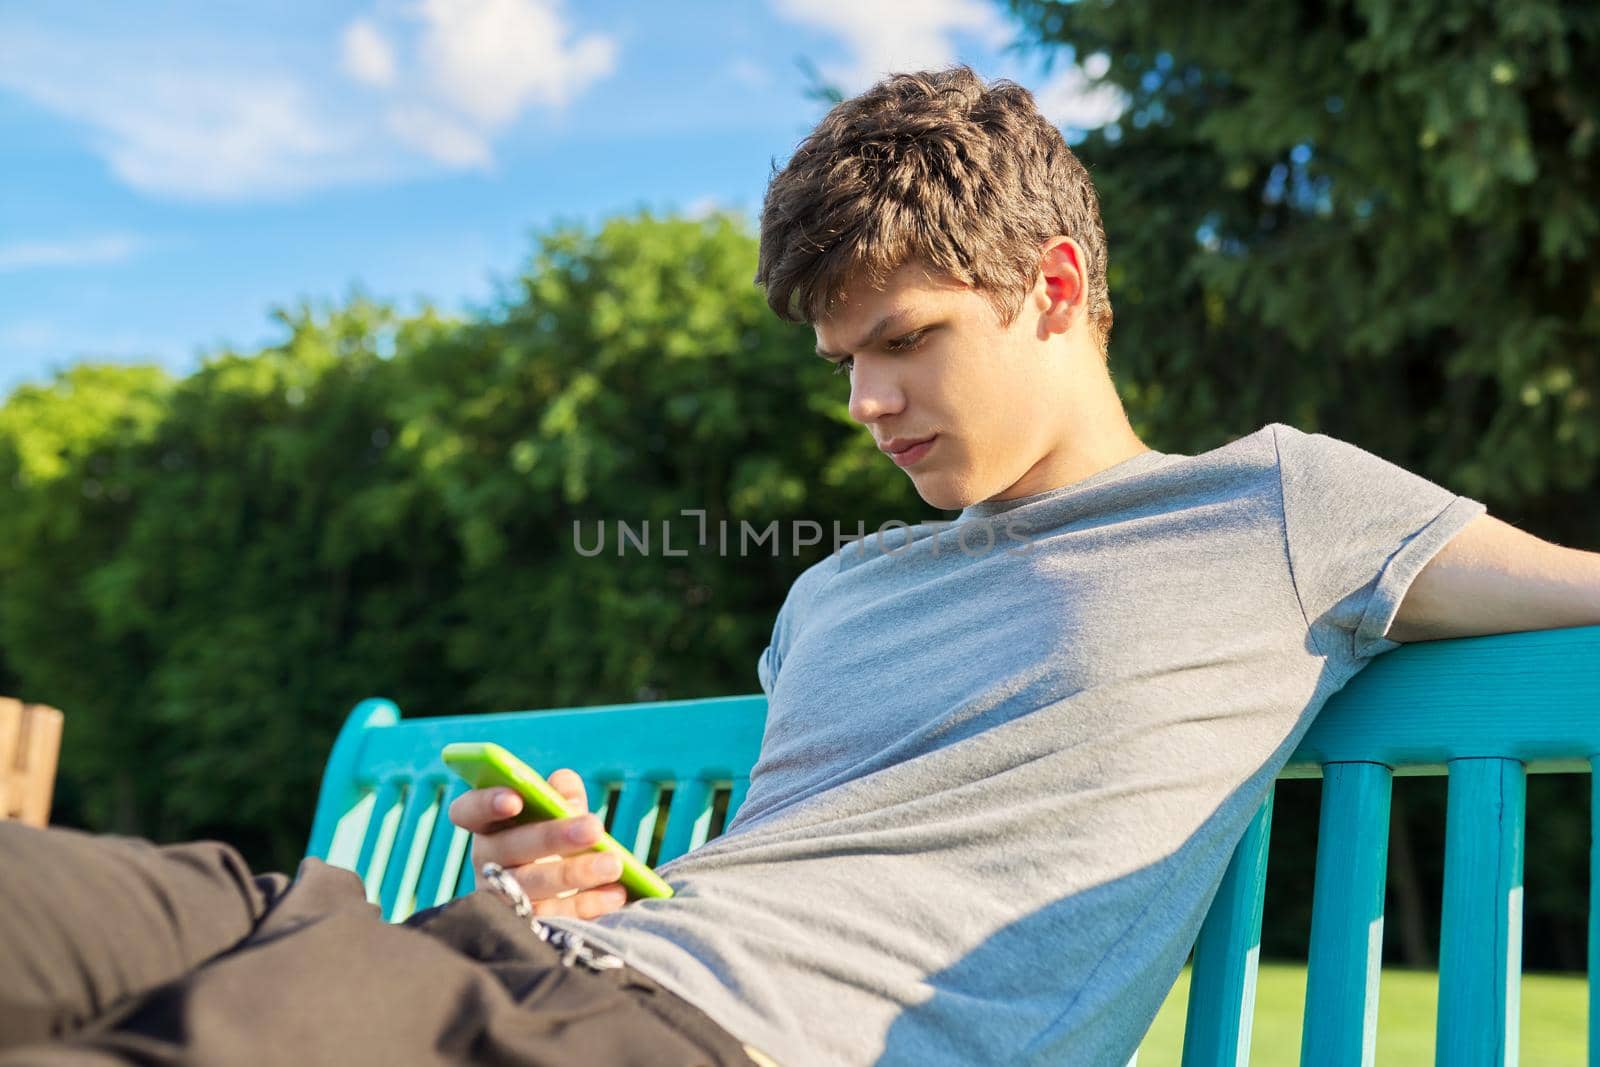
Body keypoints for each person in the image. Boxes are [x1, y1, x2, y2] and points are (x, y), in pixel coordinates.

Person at [2, 63, 1581, 1066]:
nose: (866, 403)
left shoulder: (1281, 510)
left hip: (693, 1042)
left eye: (906, 342)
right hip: (513, 957)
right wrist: (598, 881)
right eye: (840, 359)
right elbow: (787, 869)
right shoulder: (841, 590)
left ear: (1054, 284)